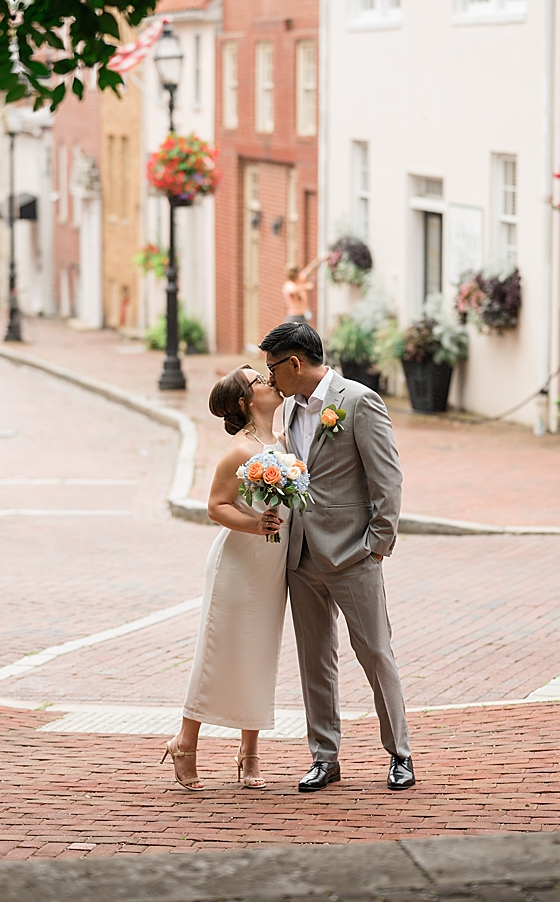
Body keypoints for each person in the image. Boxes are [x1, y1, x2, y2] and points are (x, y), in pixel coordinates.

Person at [259, 319, 415, 793]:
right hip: (301, 556)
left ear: (295, 363)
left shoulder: (359, 401)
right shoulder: (286, 413)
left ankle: (400, 754)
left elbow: (387, 479)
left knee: (374, 653)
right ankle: (324, 758)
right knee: (314, 660)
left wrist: (377, 545)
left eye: (273, 369)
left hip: (353, 555)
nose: (269, 379)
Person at [161, 366, 289, 791]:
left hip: (273, 567)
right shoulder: (240, 452)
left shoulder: (286, 443)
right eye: (258, 380)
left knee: (260, 654)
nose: (269, 381)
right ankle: (185, 742)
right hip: (237, 565)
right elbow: (216, 506)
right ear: (244, 401)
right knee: (218, 652)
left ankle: (249, 753)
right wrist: (256, 525)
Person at [283, 258, 322, 324]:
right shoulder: (288, 285)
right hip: (294, 316)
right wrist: (306, 286)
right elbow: (293, 290)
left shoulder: (299, 280)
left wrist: (321, 260)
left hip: (302, 315)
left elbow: (309, 269)